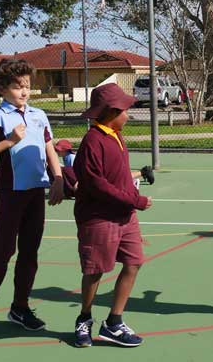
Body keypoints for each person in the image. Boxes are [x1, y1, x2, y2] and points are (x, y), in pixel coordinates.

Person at [0, 59, 65, 338]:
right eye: (18, 86)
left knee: (30, 253)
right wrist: (9, 141)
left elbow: (49, 147)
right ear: (2, 88)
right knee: (3, 250)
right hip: (11, 193)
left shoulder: (38, 115)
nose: (24, 91)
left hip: (35, 193)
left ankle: (20, 307)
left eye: (28, 86)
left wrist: (57, 178)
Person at [72, 83, 153, 348]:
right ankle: (84, 319)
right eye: (125, 110)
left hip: (125, 216)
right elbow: (97, 185)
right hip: (98, 218)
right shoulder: (92, 141)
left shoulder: (117, 135)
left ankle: (114, 323)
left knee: (134, 262)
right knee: (95, 271)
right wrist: (136, 200)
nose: (128, 115)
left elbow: (120, 177)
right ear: (111, 111)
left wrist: (132, 199)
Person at [52, 139, 155, 199]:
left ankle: (141, 174)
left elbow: (75, 175)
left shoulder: (71, 158)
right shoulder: (66, 158)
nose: (57, 152)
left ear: (66, 150)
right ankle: (139, 175)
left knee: (115, 179)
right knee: (115, 179)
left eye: (59, 150)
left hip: (92, 175)